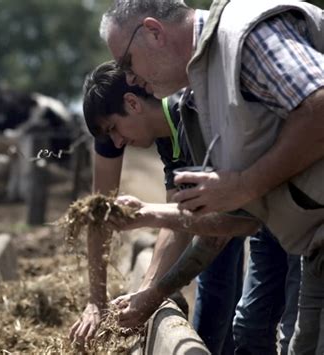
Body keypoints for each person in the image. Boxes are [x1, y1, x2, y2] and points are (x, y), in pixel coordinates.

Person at [99, 0, 324, 353]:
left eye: (127, 62)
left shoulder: (243, 36)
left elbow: (320, 107)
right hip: (311, 242)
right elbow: (242, 221)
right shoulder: (203, 92)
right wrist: (149, 215)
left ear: (154, 32)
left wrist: (245, 184)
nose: (129, 77)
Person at [69, 61, 246, 353]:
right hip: (237, 210)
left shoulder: (189, 116)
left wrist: (151, 294)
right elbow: (99, 214)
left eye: (114, 129)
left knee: (227, 282)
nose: (117, 141)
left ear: (134, 102)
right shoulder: (127, 132)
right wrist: (97, 301)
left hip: (273, 208)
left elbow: (208, 226)